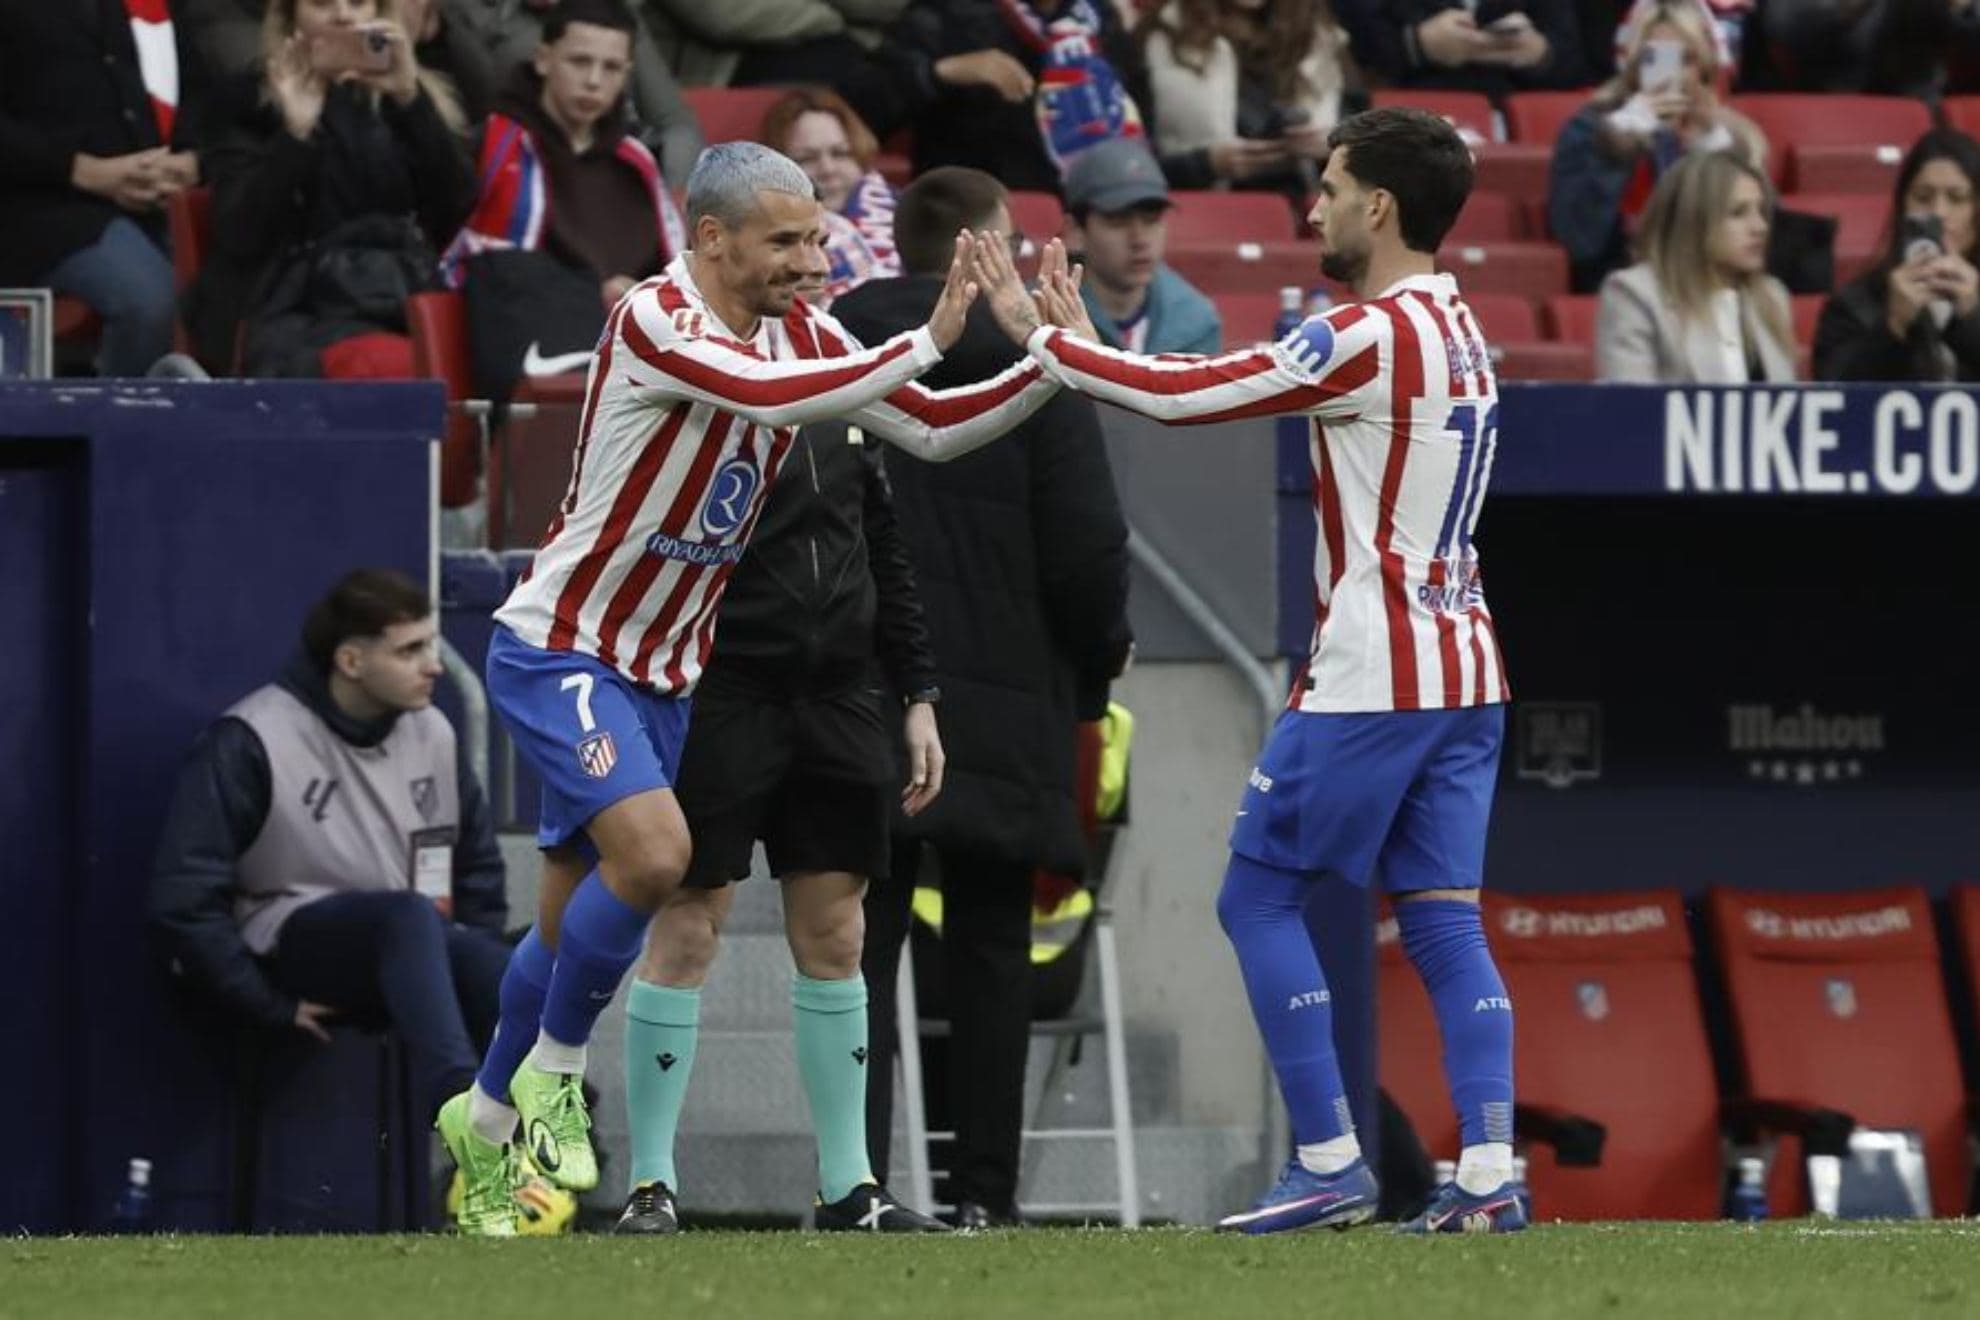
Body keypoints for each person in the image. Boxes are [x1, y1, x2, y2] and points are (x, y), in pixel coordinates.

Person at [435, 141, 1065, 1237]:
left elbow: (925, 426)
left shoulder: (807, 335)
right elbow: (768, 402)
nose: (813, 261)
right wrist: (926, 334)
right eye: (787, 240)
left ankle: (483, 1124)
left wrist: (1052, 365)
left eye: (819, 237)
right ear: (711, 236)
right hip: (566, 647)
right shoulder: (655, 319)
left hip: (666, 671)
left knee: (562, 927)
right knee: (659, 859)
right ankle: (554, 1082)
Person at [966, 105, 1524, 1235]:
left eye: (1327, 186)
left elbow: (1185, 401)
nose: (1310, 207)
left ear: (1377, 204)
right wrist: (1095, 348)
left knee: (1256, 892)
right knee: (1444, 920)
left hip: (1377, 671)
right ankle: (1488, 1176)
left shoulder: (1366, 334)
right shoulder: (1461, 327)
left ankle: (1326, 1157)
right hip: (1468, 664)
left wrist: (1043, 336)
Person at [834, 166, 1133, 1230]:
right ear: (985, 248)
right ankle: (983, 1199)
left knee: (854, 949)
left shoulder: (833, 348)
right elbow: (1089, 543)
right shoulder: (1029, 356)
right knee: (994, 946)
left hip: (856, 692)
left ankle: (854, 1185)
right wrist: (1095, 671)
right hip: (1012, 693)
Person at [614, 410, 948, 1237]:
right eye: (788, 268)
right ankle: (651, 1184)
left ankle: (849, 1186)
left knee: (838, 935)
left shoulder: (847, 391)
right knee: (688, 925)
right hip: (719, 693)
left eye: (811, 269)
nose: (802, 275)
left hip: (838, 699)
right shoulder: (690, 382)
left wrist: (919, 696)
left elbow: (886, 551)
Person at [149, 570, 512, 1140]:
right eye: (411, 649)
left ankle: (559, 1133)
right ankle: (464, 1113)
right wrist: (265, 1002)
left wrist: (471, 956)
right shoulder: (252, 736)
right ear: (351, 662)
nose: (435, 666)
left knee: (491, 960)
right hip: (292, 952)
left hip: (414, 951)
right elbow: (183, 896)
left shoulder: (433, 732)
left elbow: (480, 870)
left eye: (432, 646)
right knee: (410, 916)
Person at [190, 0, 475, 379]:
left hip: (398, 296)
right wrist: (295, 137)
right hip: (291, 302)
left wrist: (412, 102)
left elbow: (457, 208)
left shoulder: (408, 96)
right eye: (323, 3)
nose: (343, 15)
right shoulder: (247, 101)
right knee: (383, 366)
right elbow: (240, 231)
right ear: (291, 17)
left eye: (358, 2)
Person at [441, 0, 688, 392]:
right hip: (537, 357)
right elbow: (495, 270)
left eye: (610, 68)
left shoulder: (636, 161)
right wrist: (594, 294)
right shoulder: (498, 144)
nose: (593, 81)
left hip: (634, 362)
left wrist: (635, 296)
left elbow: (679, 277)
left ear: (626, 75)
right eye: (579, 61)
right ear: (543, 60)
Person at [0, 1, 206, 378]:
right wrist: (83, 170)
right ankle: (120, 430)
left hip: (157, 200)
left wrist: (190, 159)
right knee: (148, 301)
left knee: (243, 286)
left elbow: (200, 88)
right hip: (40, 207)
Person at [1549, 0, 1766, 293]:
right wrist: (1618, 148)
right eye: (1656, 58)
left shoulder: (1731, 134)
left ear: (1705, 64)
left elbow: (1760, 239)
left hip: (1715, 284)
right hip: (1622, 283)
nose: (1673, 72)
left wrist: (1712, 146)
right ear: (1631, 59)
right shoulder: (1589, 129)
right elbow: (1580, 240)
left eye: (1686, 59)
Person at [837, 0, 1152, 195]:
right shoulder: (946, 13)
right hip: (973, 214)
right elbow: (860, 107)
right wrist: (942, 72)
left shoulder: (1099, 19)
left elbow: (1139, 118)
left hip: (1091, 208)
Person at [448, 0, 705, 183]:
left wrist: (671, 196)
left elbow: (675, 121)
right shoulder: (465, 16)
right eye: (579, 62)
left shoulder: (612, 13)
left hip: (631, 171)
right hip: (532, 172)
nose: (594, 78)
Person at [1595, 149, 1795, 383]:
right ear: (1693, 221)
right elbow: (1631, 411)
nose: (1760, 227)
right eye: (1738, 213)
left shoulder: (1772, 296)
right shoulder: (1636, 294)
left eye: (1760, 211)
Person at [1135, 0, 1361, 196]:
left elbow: (1369, 146)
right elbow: (1133, 169)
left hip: (1309, 213)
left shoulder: (1320, 41)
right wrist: (1207, 164)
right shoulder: (1158, 40)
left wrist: (1334, 146)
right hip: (1203, 216)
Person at [1814, 129, 1980, 383]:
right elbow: (1834, 402)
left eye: (1956, 198)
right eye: (1923, 197)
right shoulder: (1852, 305)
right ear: (1903, 207)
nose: (1938, 212)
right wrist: (1893, 326)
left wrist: (1972, 319)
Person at [1064, 138, 1222, 353]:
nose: (1139, 240)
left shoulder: (1196, 321)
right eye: (1117, 221)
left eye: (1152, 220)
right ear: (1075, 231)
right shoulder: (1038, 316)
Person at [759, 88, 902, 305]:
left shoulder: (908, 212)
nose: (827, 169)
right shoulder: (758, 241)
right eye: (806, 158)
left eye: (840, 153)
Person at [1332, 0, 1587, 98]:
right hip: (1407, 114)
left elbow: (1575, 62)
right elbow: (1346, 45)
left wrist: (1538, 53)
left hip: (1505, 108)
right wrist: (1417, 45)